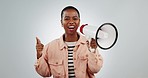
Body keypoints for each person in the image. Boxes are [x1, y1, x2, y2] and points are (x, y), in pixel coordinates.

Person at [34, 6, 103, 78]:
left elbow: (95, 69)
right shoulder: (50, 47)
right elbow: (45, 73)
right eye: (67, 19)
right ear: (61, 22)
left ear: (79, 22)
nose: (71, 22)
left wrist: (92, 51)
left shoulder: (89, 44)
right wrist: (39, 55)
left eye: (75, 19)